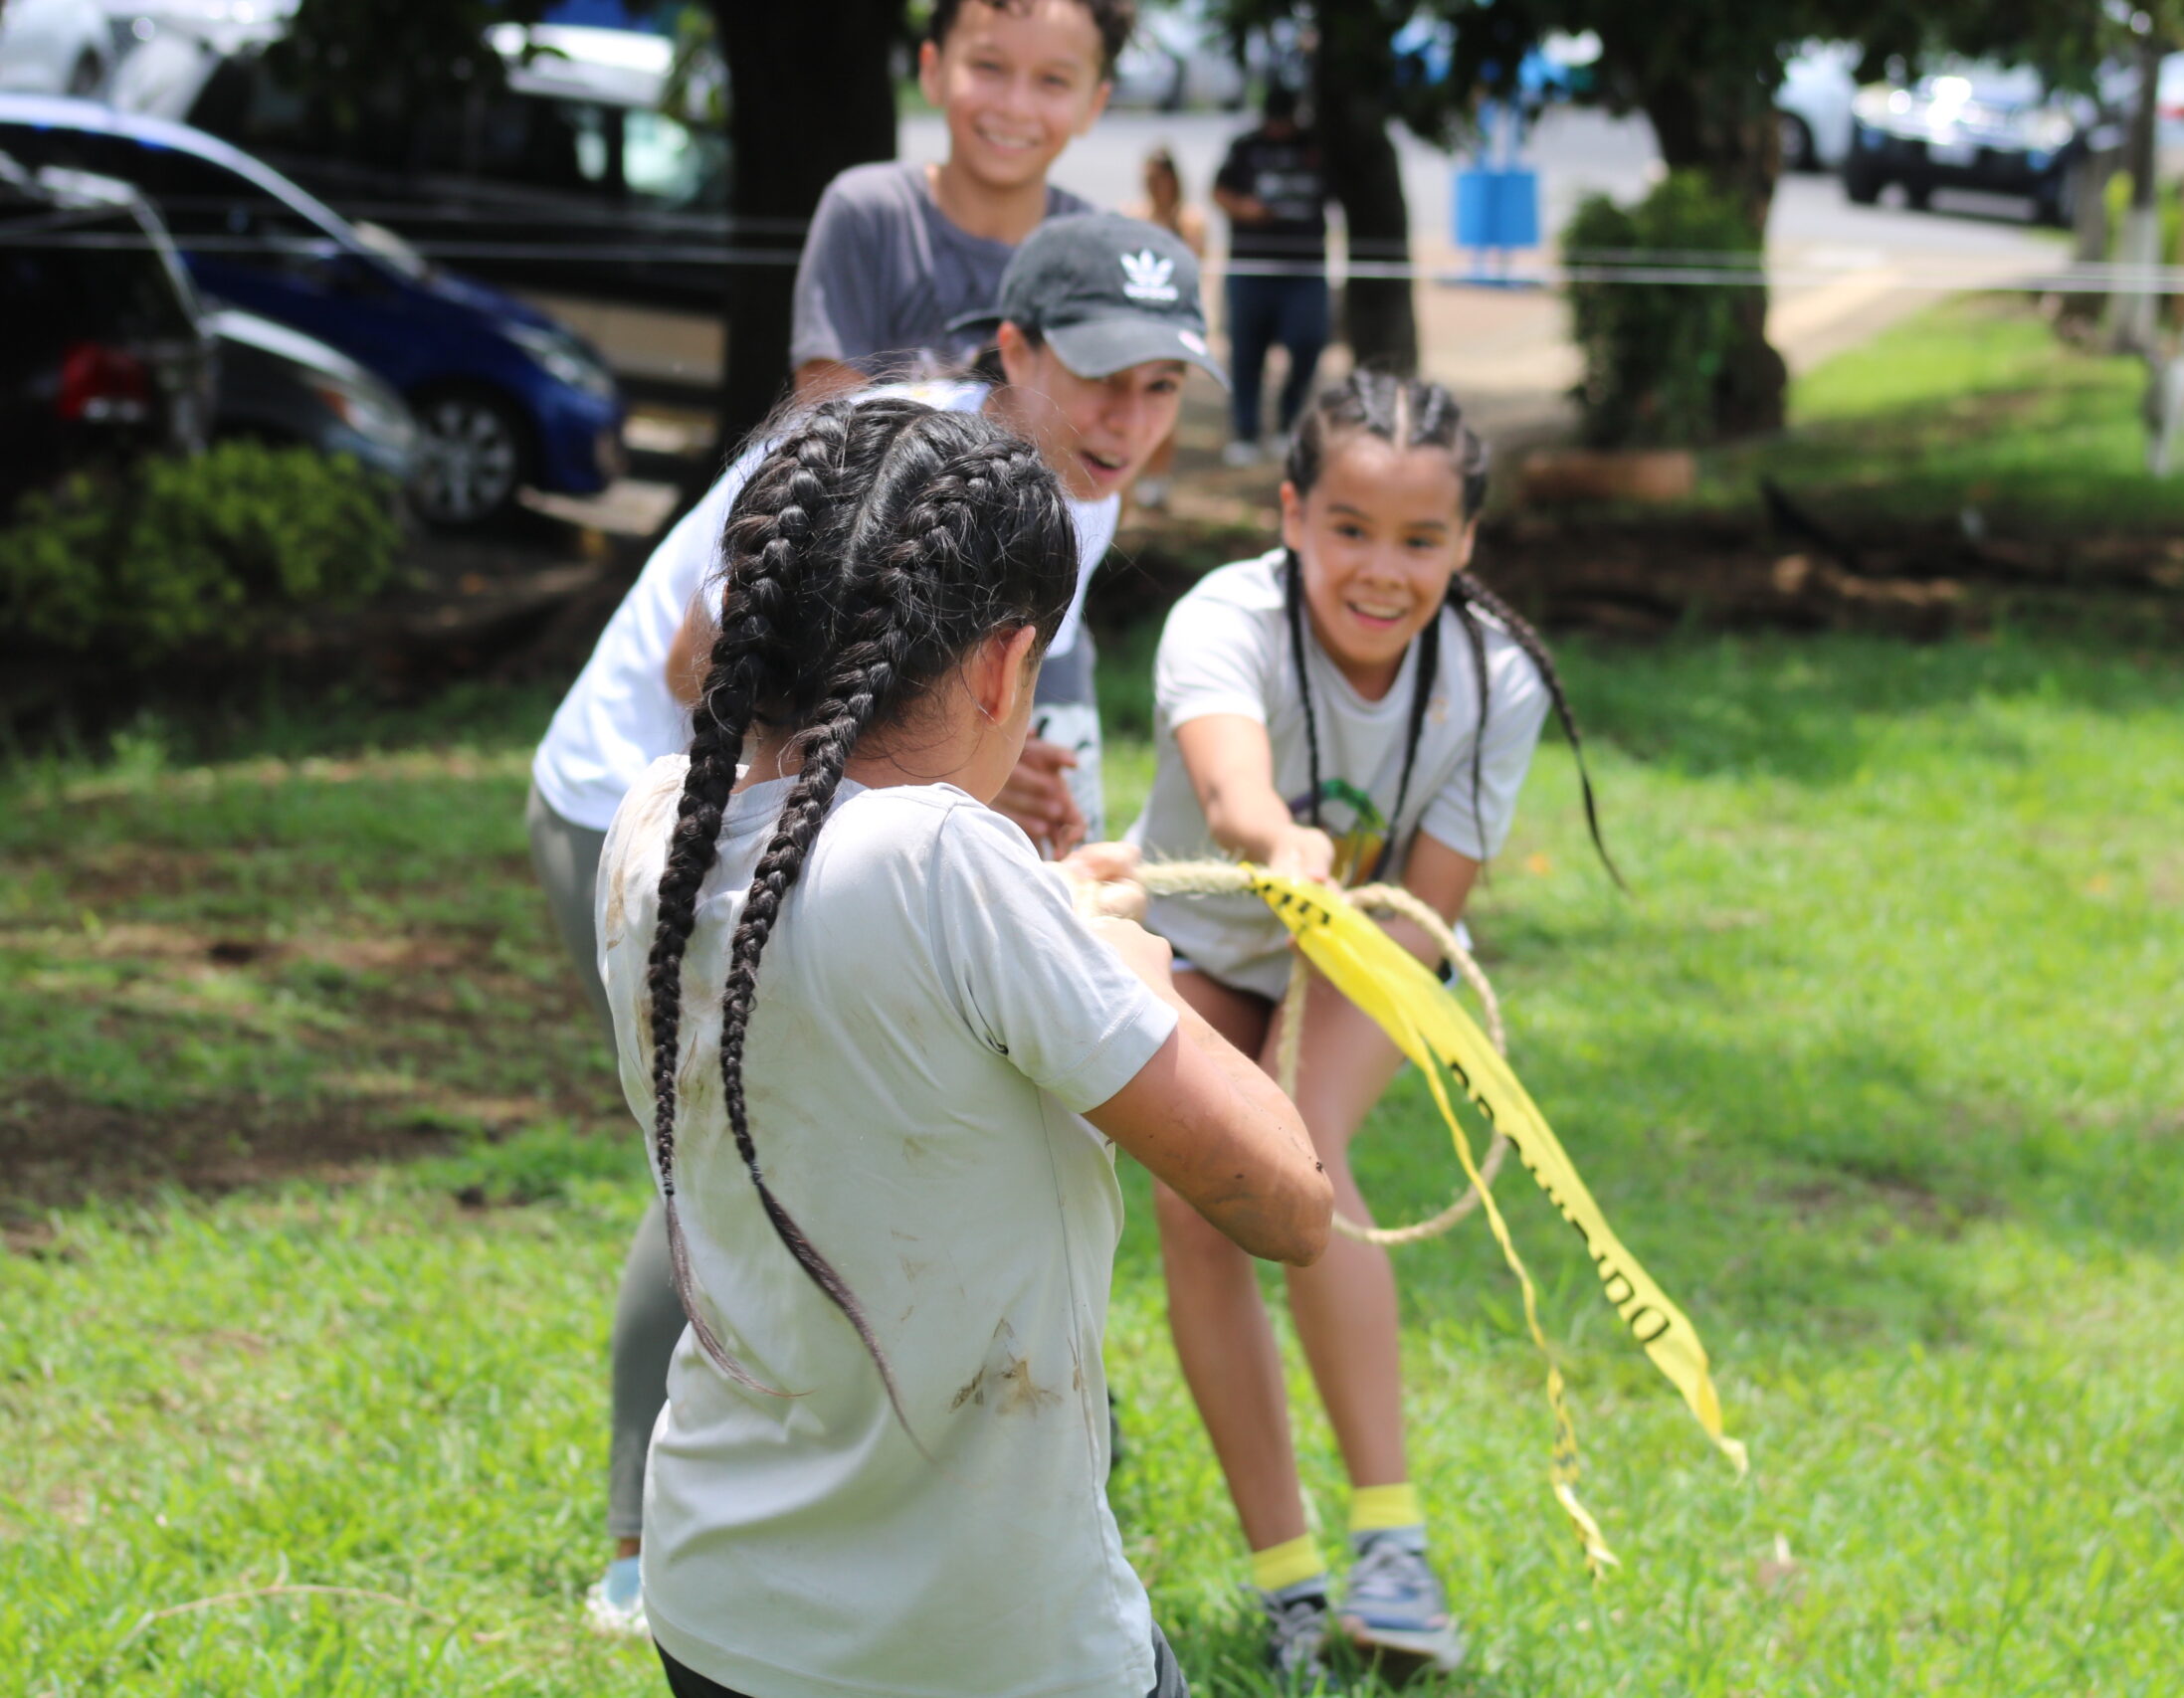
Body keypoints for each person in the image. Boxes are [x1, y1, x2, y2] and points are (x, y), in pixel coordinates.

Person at [530, 212, 1219, 1634]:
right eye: (1099, 375)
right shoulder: (891, 450)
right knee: (737, 1132)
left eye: (1163, 386)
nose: (1127, 418)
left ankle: (907, 1489)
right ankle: (641, 1540)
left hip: (822, 814)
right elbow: (706, 662)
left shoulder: (1069, 487)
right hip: (647, 790)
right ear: (1011, 350)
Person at [596, 394, 1329, 1698]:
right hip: (975, 1646)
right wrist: (1126, 959)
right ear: (1005, 667)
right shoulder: (940, 859)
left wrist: (1049, 910)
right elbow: (1281, 1197)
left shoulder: (655, 827)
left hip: (719, 1614)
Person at [1125, 371, 1618, 1679]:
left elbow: (1425, 917)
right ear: (1291, 513)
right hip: (1193, 940)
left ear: (1466, 544)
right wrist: (1278, 840)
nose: (1382, 569)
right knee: (1200, 1199)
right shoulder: (1221, 618)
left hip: (1363, 954)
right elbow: (1232, 788)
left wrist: (1326, 944)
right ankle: (1290, 1580)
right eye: (1349, 527)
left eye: (1419, 539)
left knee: (1305, 1166)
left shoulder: (1490, 678)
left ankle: (1393, 1555)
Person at [789, 0, 1129, 398]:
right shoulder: (868, 212)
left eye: (1053, 79)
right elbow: (829, 433)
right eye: (989, 66)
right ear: (932, 70)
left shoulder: (1101, 252)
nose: (1015, 107)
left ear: (1093, 105)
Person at [1212, 85, 1328, 469]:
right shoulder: (1245, 146)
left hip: (1304, 270)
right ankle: (1246, 432)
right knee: (1246, 352)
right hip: (1251, 268)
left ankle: (1288, 422)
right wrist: (1244, 209)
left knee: (1308, 342)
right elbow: (1219, 190)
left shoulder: (1315, 146)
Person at [1122, 143, 1208, 509]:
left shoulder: (1190, 221)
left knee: (1163, 399)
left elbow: (1192, 271)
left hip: (1171, 320)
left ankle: (1159, 476)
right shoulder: (1131, 215)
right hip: (1135, 320)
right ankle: (1135, 474)